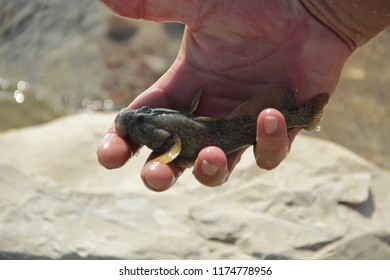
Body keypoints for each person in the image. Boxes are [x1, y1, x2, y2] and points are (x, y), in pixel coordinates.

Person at [97, 0, 390, 191]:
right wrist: (331, 14)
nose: (140, 117)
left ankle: (303, 117)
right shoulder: (172, 129)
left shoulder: (170, 137)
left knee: (240, 141)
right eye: (140, 123)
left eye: (143, 119)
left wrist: (325, 12)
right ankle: (301, 117)